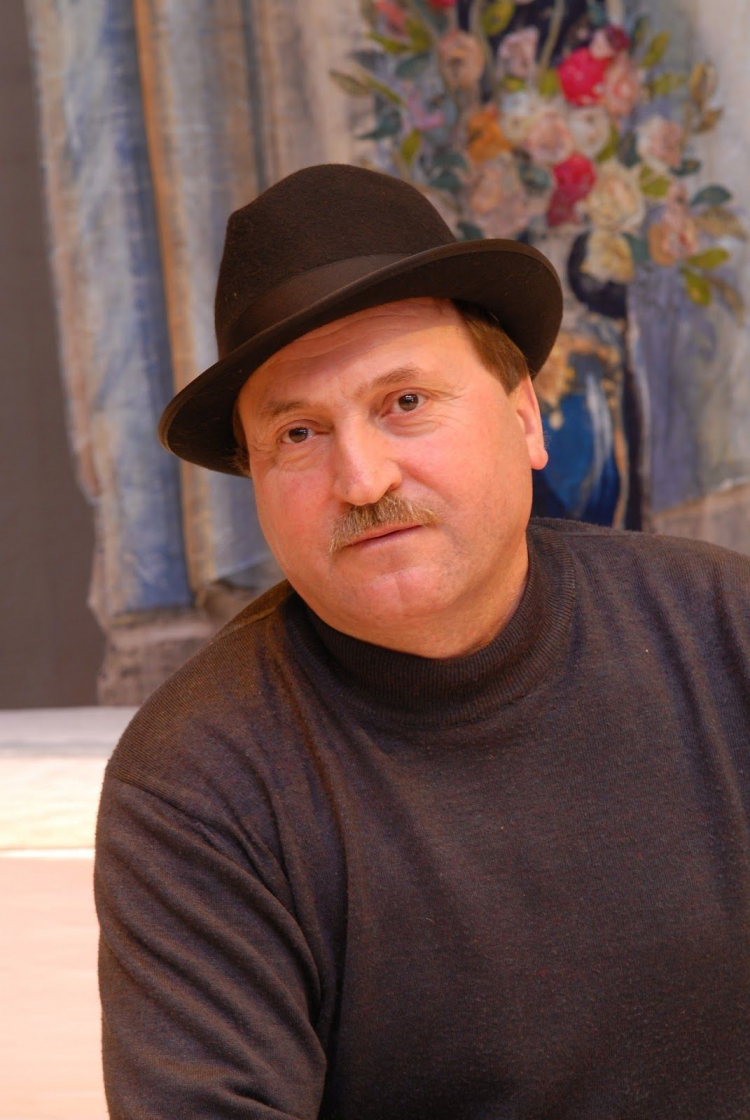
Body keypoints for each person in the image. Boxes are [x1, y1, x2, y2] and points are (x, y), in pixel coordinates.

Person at [94, 163, 750, 1119]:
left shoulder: (725, 631)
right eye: (299, 434)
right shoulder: (199, 783)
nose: (363, 480)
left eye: (404, 402)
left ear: (524, 416)